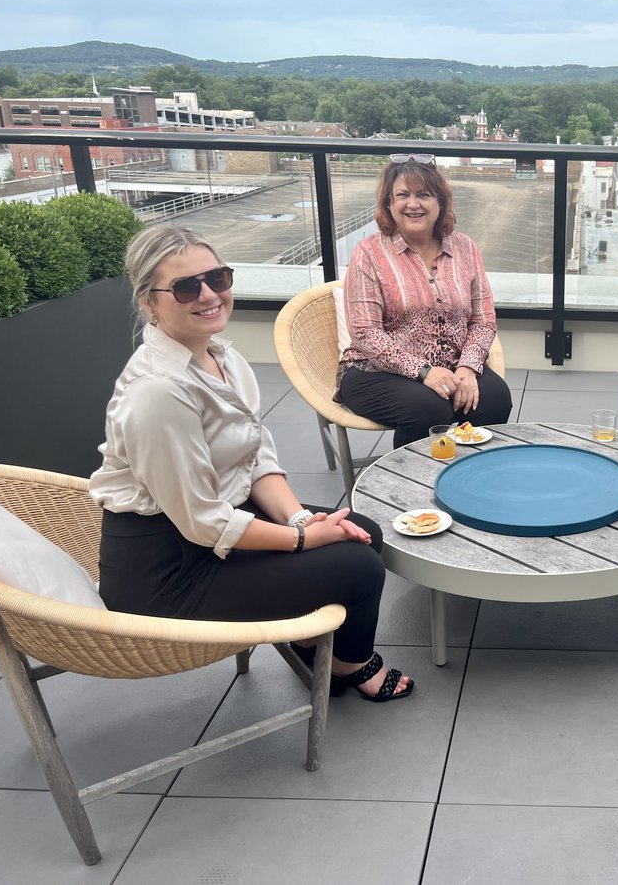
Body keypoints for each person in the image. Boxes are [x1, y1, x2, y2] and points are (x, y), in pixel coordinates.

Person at [90, 225, 412, 703]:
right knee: (360, 567)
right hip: (167, 572)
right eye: (186, 287)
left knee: (363, 531)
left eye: (217, 278)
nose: (208, 295)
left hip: (214, 530)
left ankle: (310, 645)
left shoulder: (224, 359)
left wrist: (300, 519)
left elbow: (256, 456)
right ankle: (348, 665)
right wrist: (303, 540)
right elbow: (202, 521)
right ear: (149, 303)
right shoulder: (157, 392)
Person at [337, 153, 512, 448]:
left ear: (440, 202)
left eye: (424, 195)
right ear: (388, 203)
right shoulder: (369, 253)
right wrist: (424, 372)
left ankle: (468, 469)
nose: (413, 204)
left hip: (454, 365)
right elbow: (365, 333)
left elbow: (483, 320)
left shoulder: (466, 248)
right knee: (429, 409)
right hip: (376, 370)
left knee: (494, 399)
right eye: (402, 195)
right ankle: (410, 475)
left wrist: (468, 369)